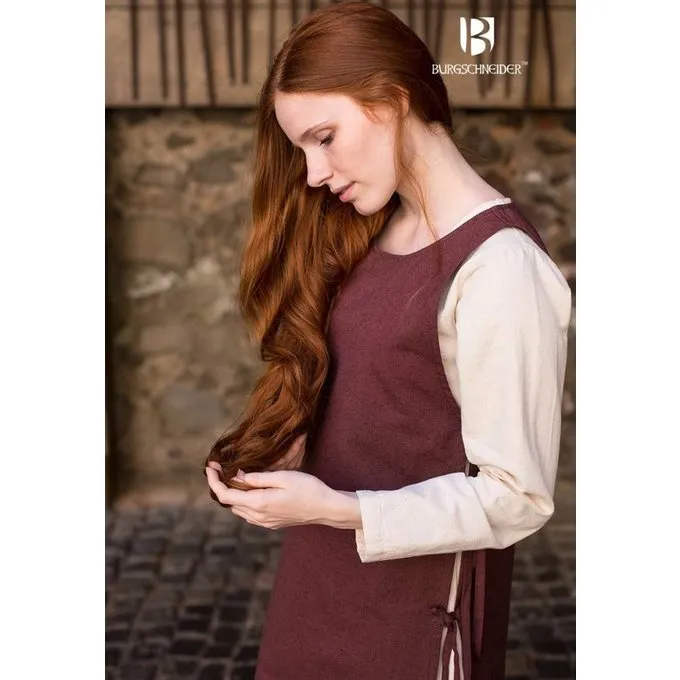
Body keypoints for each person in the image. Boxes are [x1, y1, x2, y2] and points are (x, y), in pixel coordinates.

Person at [203, 2, 572, 679]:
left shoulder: (501, 267)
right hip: (318, 586)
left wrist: (337, 509)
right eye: (302, 149)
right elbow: (381, 396)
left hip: (413, 624)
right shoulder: (374, 229)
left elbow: (516, 497)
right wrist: (291, 448)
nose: (313, 173)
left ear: (393, 99)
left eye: (324, 137)